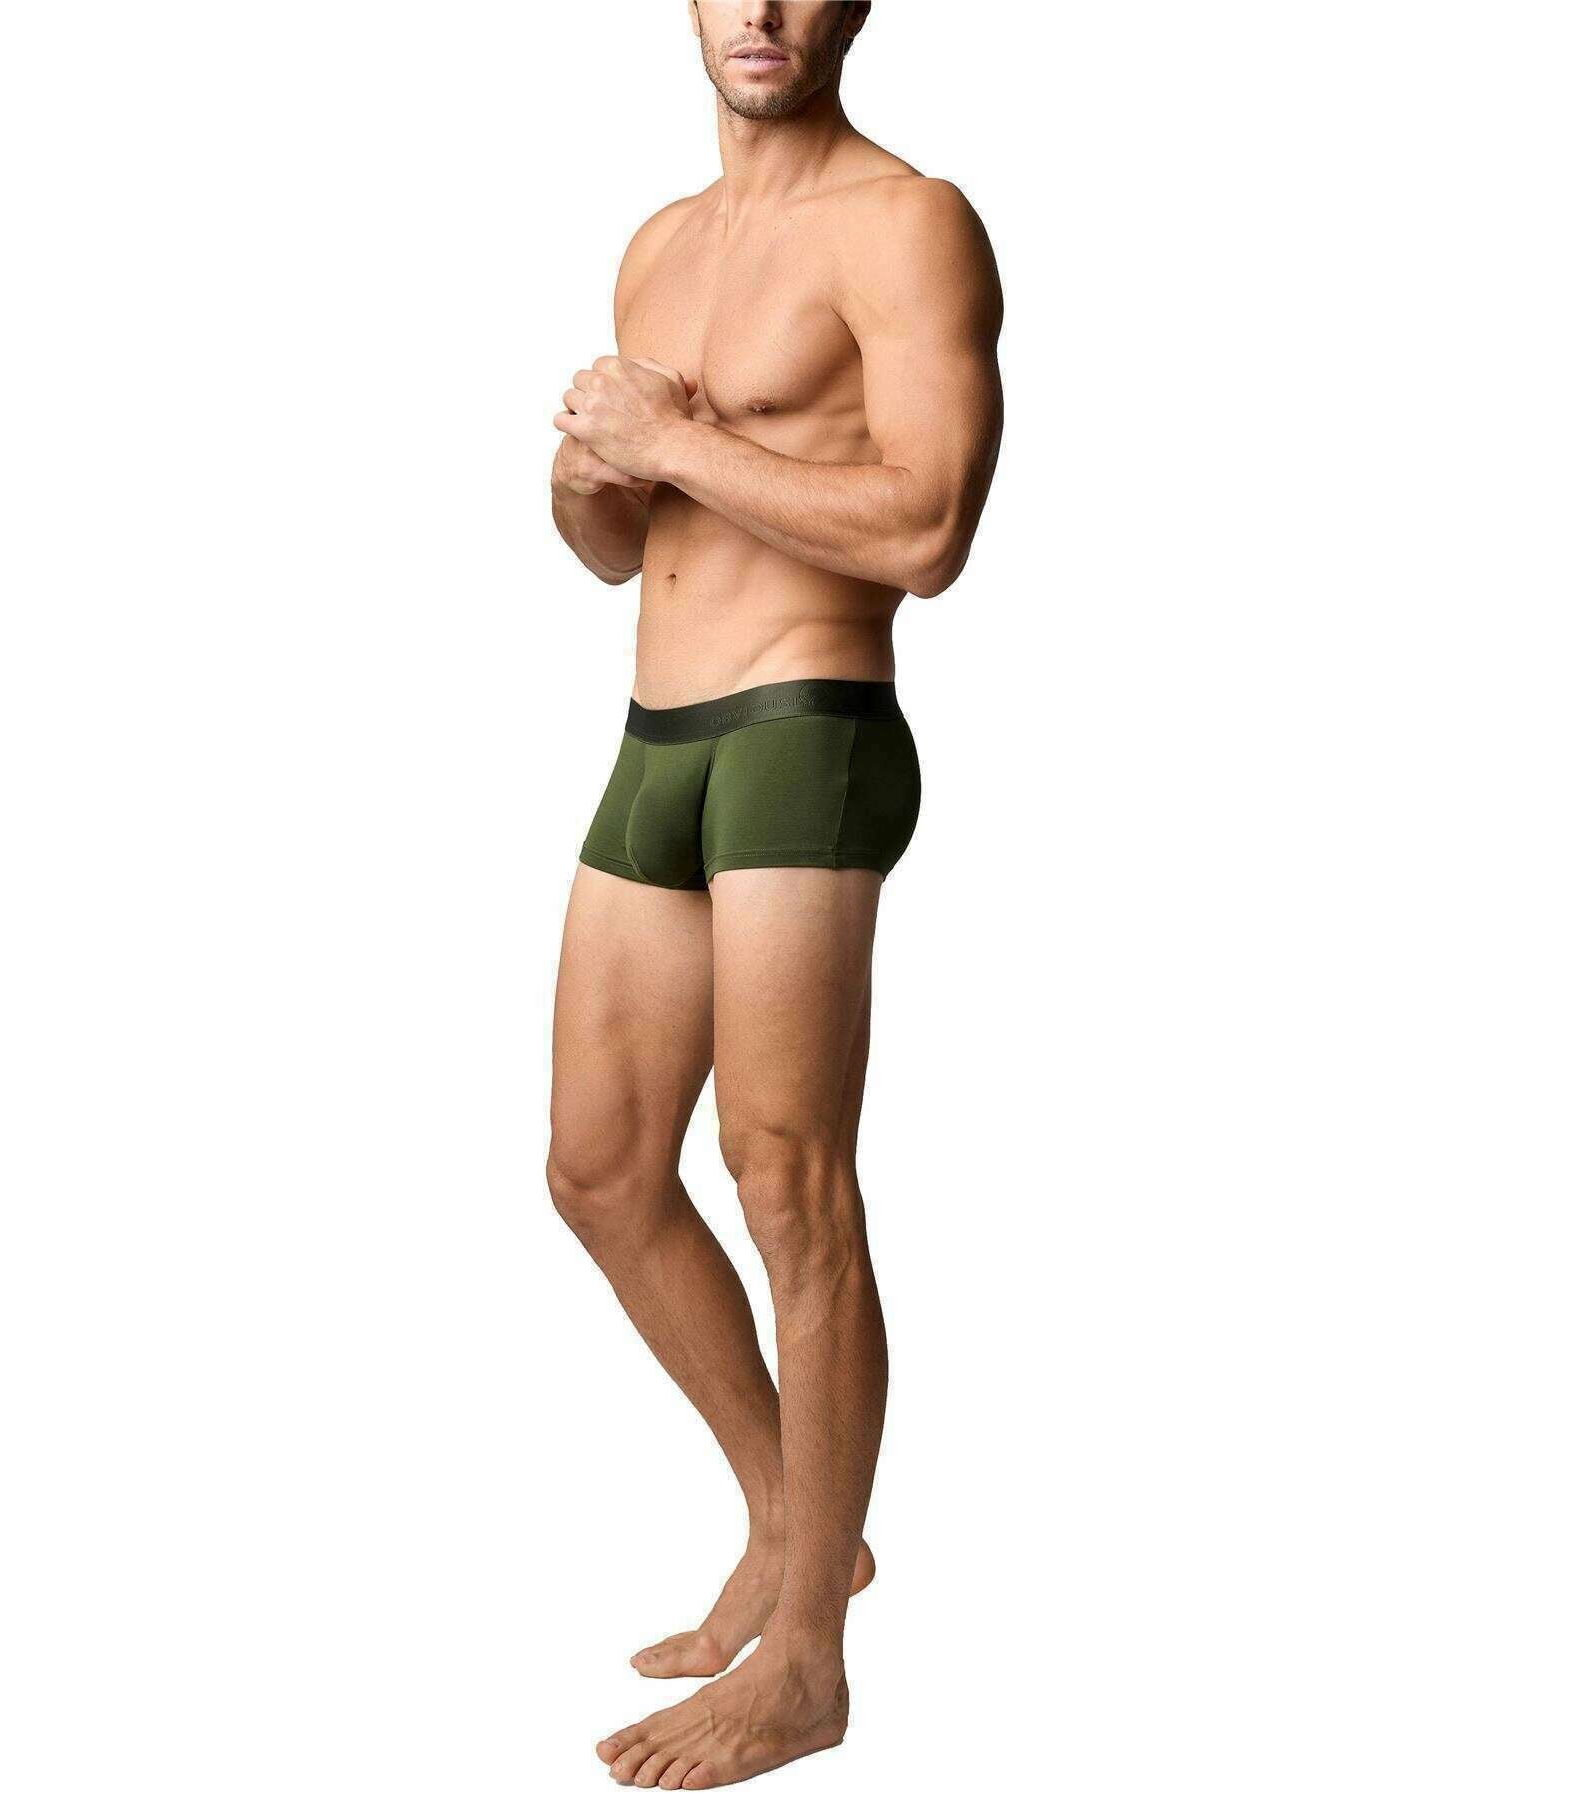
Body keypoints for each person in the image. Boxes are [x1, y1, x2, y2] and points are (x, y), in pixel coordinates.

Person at [546, 2, 1002, 1786]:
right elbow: (616, 548)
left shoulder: (910, 221)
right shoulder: (660, 243)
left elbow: (927, 530)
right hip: (656, 732)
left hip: (806, 722)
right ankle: (799, 1521)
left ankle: (808, 1658)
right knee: (598, 1169)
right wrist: (590, 473)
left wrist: (676, 444)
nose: (763, 11)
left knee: (786, 1177)